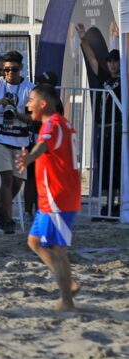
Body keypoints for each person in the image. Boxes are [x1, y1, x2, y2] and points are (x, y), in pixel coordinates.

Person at [16, 84, 82, 312]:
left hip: (57, 196)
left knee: (57, 249)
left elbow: (43, 145)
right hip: (55, 196)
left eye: (31, 100)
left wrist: (28, 159)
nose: (27, 104)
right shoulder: (63, 123)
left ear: (43, 104)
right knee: (34, 242)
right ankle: (69, 284)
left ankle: (67, 301)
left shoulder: (52, 123)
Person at [0, 50, 34, 234]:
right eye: (6, 69)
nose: (9, 73)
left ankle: (2, 208)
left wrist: (17, 114)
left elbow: (34, 118)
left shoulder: (29, 88)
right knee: (7, 178)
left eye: (14, 69)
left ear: (21, 68)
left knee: (18, 182)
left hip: (20, 140)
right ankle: (9, 221)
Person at [76, 23, 122, 217]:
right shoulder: (105, 78)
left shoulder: (126, 80)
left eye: (116, 61)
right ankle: (108, 204)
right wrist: (83, 38)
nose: (112, 65)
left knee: (118, 167)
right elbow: (93, 61)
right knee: (106, 167)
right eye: (110, 61)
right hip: (104, 129)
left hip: (119, 130)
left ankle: (119, 203)